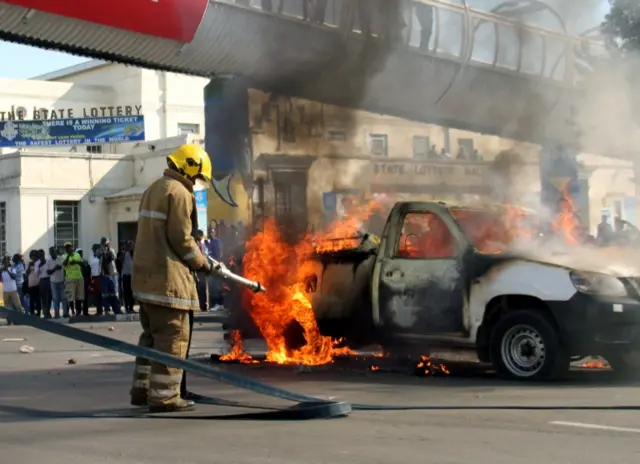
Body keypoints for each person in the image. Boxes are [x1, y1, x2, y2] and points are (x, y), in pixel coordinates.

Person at [129, 143, 217, 413]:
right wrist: (203, 264)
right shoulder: (179, 192)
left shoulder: (153, 188)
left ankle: (142, 391)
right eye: (199, 176)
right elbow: (182, 239)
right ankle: (165, 397)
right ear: (191, 167)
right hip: (168, 282)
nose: (197, 182)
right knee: (173, 338)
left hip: (145, 279)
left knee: (151, 338)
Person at [62, 242, 85, 317]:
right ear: (65, 249)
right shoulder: (64, 256)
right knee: (71, 296)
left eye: (70, 247)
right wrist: (69, 256)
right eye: (67, 247)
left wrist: (76, 262)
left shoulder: (77, 255)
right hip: (70, 278)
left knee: (80, 296)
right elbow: (65, 264)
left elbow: (82, 264)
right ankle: (73, 311)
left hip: (79, 277)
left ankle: (78, 311)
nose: (69, 248)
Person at [100, 237, 121, 314]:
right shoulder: (100, 251)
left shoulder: (111, 250)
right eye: (105, 243)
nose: (106, 245)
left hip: (113, 273)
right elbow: (100, 257)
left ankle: (117, 309)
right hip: (104, 274)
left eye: (107, 243)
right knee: (105, 293)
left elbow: (112, 257)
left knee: (114, 292)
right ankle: (107, 309)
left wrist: (108, 249)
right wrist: (104, 250)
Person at [1, 255, 25, 323]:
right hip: (5, 291)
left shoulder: (12, 268)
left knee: (18, 306)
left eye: (9, 261)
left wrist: (8, 271)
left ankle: (22, 319)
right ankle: (9, 320)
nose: (8, 262)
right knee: (7, 308)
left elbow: (14, 277)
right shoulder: (1, 270)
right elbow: (1, 280)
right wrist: (2, 270)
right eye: (7, 261)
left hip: (13, 290)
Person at [47, 246, 68, 318]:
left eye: (54, 251)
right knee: (55, 299)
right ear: (50, 253)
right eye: (51, 252)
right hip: (53, 282)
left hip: (61, 280)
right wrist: (55, 269)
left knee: (64, 298)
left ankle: (65, 313)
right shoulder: (48, 260)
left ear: (55, 251)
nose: (53, 253)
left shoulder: (60, 258)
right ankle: (57, 314)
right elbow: (48, 272)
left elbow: (64, 267)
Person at [121, 241, 135, 314]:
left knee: (132, 292)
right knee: (126, 292)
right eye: (128, 245)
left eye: (131, 245)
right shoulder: (124, 253)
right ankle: (126, 308)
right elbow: (120, 261)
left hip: (132, 275)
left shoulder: (134, 253)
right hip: (126, 275)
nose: (130, 247)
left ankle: (131, 307)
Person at [26, 250, 41, 317]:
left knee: (38, 298)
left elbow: (39, 271)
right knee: (31, 299)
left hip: (38, 283)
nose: (33, 257)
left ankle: (38, 312)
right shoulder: (28, 263)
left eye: (34, 256)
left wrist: (35, 264)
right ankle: (32, 312)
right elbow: (27, 273)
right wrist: (29, 266)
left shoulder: (39, 262)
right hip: (31, 283)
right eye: (32, 256)